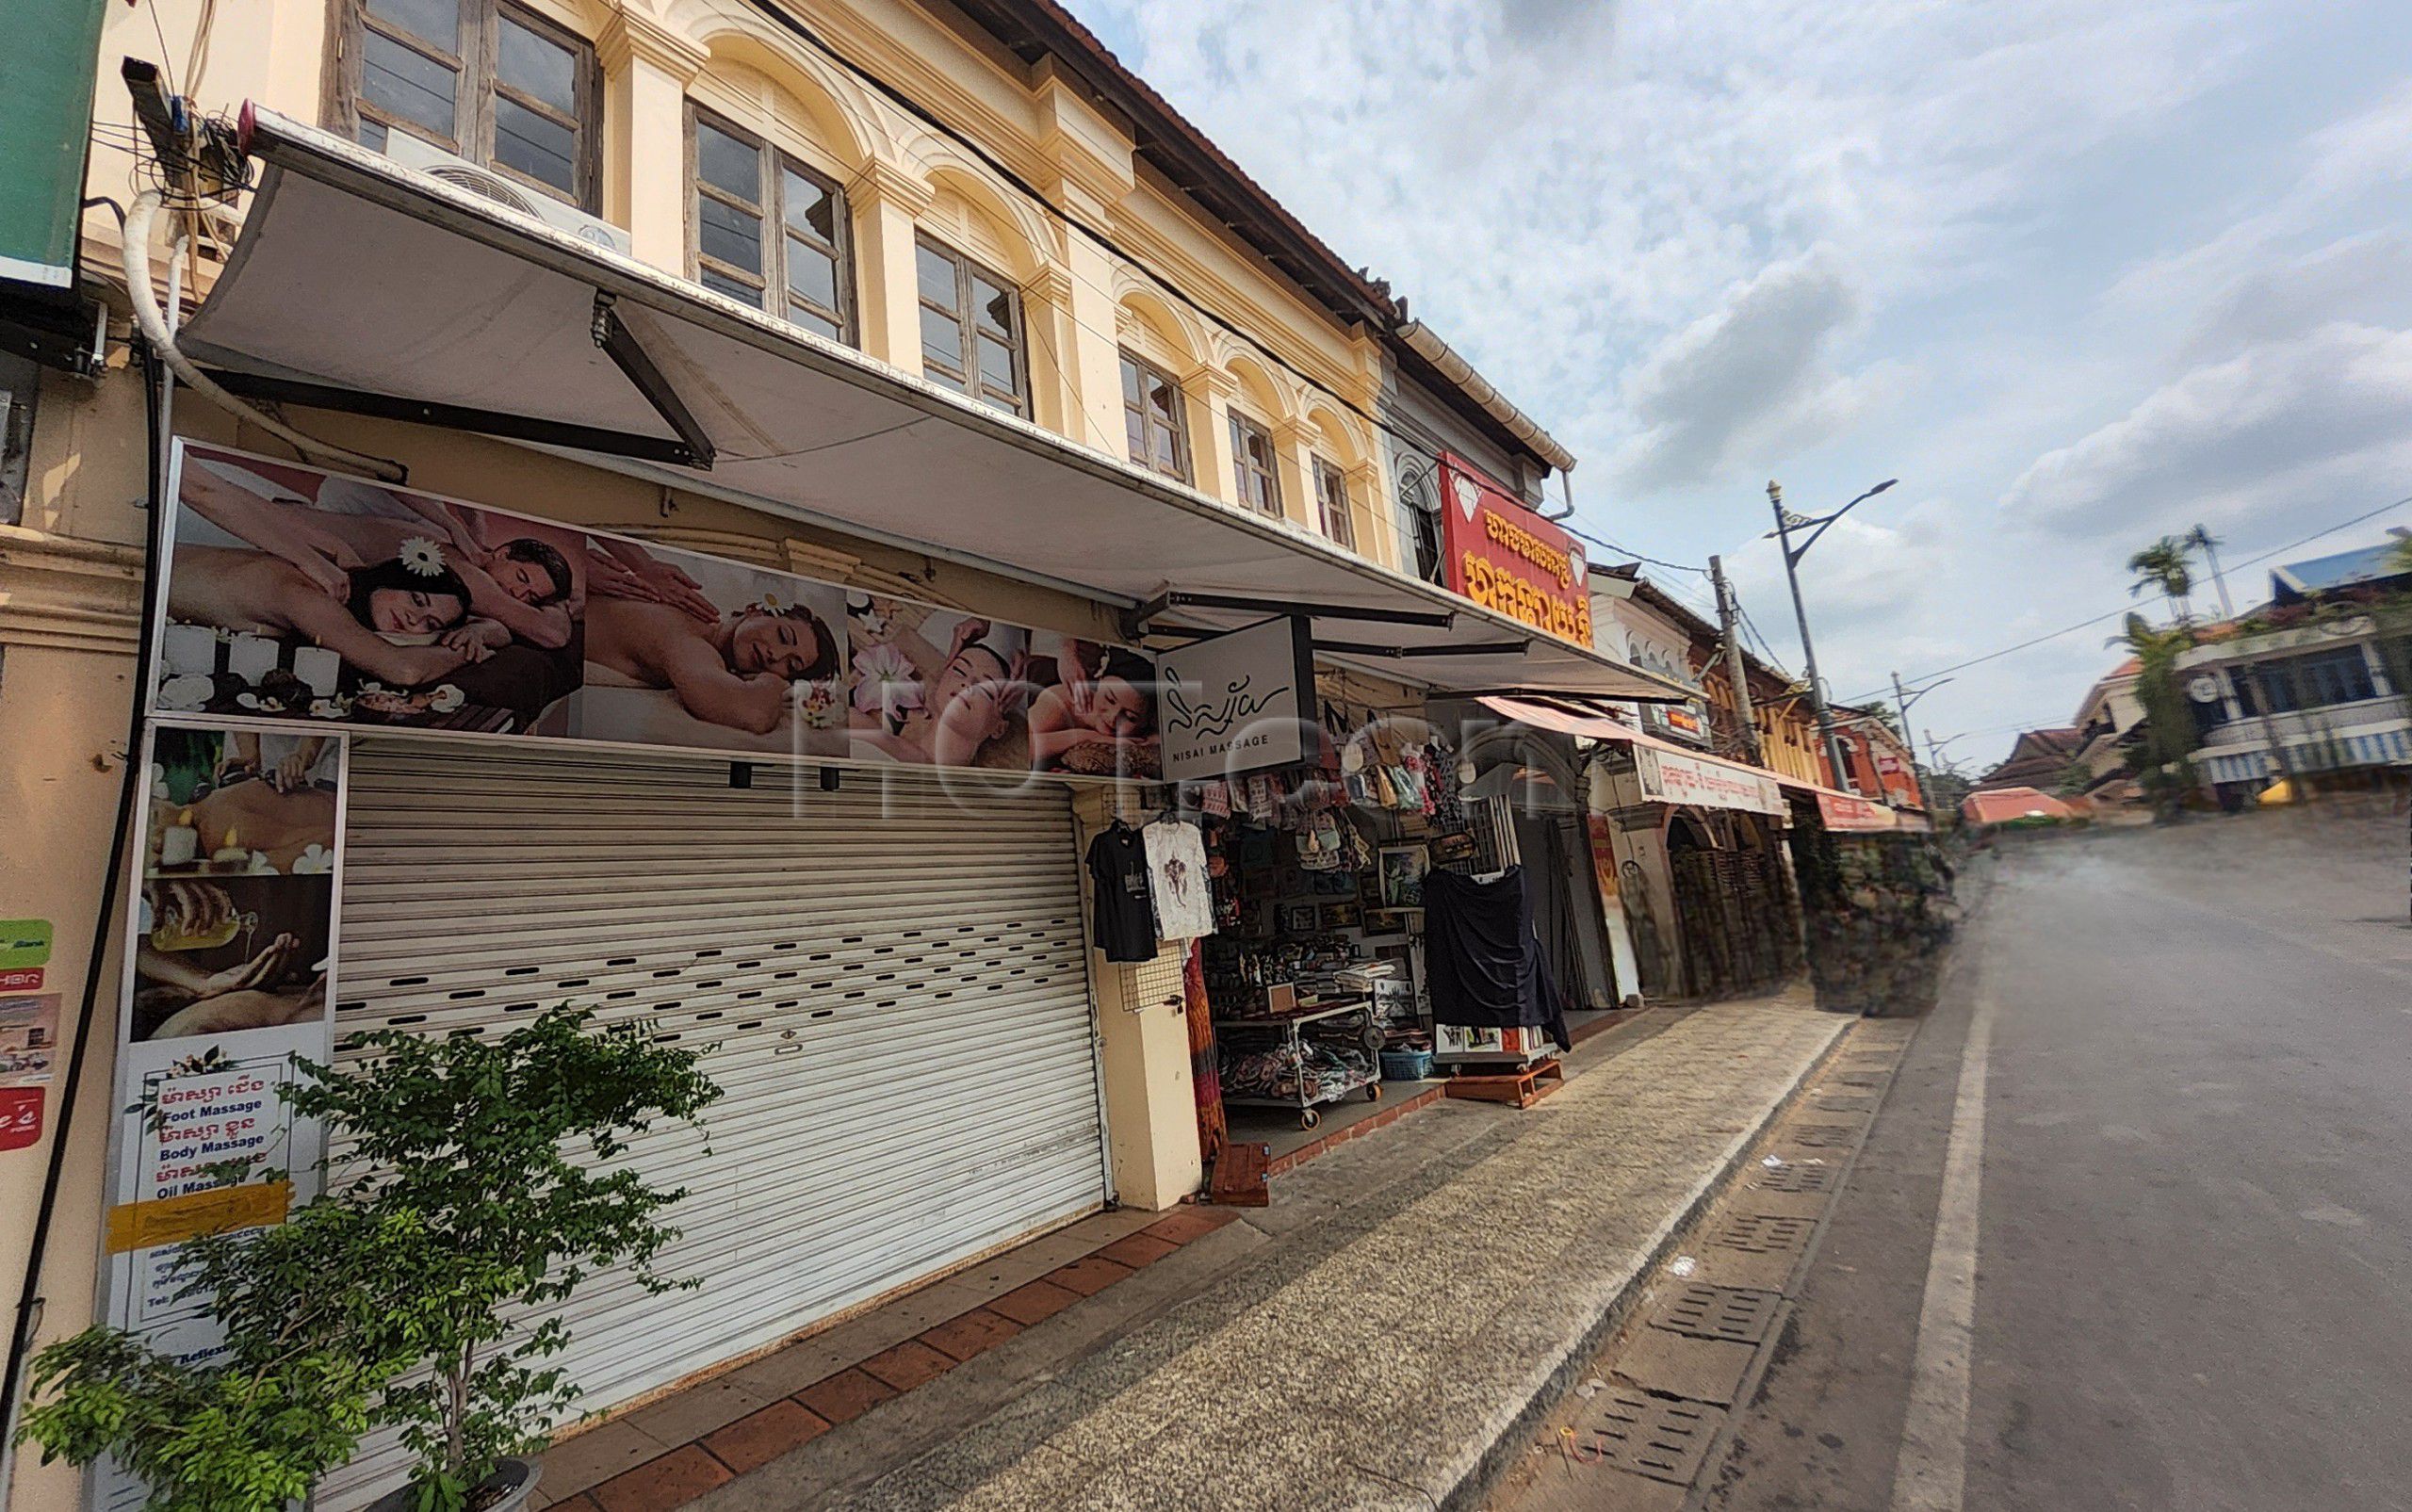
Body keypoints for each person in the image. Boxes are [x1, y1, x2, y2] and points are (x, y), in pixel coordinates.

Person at [169, 545, 502, 688]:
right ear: (388, 579)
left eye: (431, 625)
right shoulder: (309, 595)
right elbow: (404, 669)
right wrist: (461, 652)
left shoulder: (345, 586)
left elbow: (500, 629)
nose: (415, 620)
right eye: (416, 599)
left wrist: (480, 631)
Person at [585, 594, 839, 735]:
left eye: (791, 665)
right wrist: (775, 683)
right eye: (783, 636)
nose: (776, 655)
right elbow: (752, 714)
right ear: (754, 610)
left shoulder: (696, 622)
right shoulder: (690, 640)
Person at [1031, 645, 1157, 772]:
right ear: (1100, 681)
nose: (1113, 717)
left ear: (1145, 722)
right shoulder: (1060, 704)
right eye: (1110, 699)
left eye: (1130, 717)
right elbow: (1020, 745)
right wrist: (1086, 736)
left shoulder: (1143, 727)